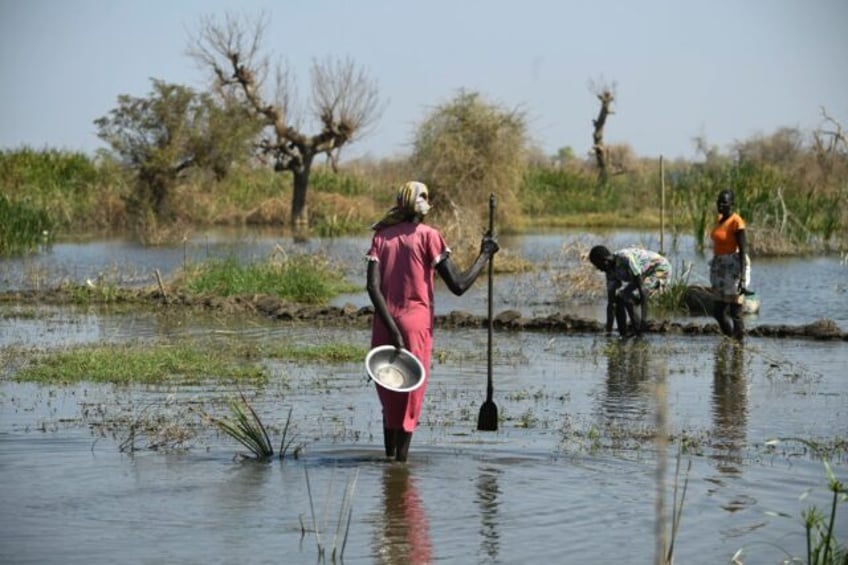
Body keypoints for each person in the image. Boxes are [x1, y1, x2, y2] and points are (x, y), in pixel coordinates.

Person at [366, 181, 499, 462]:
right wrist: (484, 255)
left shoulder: (382, 236)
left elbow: (372, 288)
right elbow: (459, 285)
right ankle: (400, 469)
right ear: (424, 207)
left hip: (383, 325)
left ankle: (388, 463)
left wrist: (390, 327)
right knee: (409, 402)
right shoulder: (429, 236)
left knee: (390, 399)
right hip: (415, 327)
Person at [589, 245, 671, 337]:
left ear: (605, 260)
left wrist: (644, 319)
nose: (598, 269)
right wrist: (609, 332)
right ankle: (623, 334)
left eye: (597, 265)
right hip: (645, 275)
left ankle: (639, 332)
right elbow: (611, 304)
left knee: (626, 296)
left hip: (660, 269)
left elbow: (642, 290)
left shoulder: (625, 259)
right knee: (619, 297)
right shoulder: (610, 272)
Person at [709, 189, 749, 341]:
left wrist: (743, 279)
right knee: (718, 311)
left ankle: (738, 346)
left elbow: (743, 250)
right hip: (720, 267)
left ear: (732, 204)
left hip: (734, 267)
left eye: (724, 202)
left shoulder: (737, 222)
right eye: (719, 202)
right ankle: (729, 338)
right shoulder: (719, 219)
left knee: (735, 312)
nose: (721, 205)